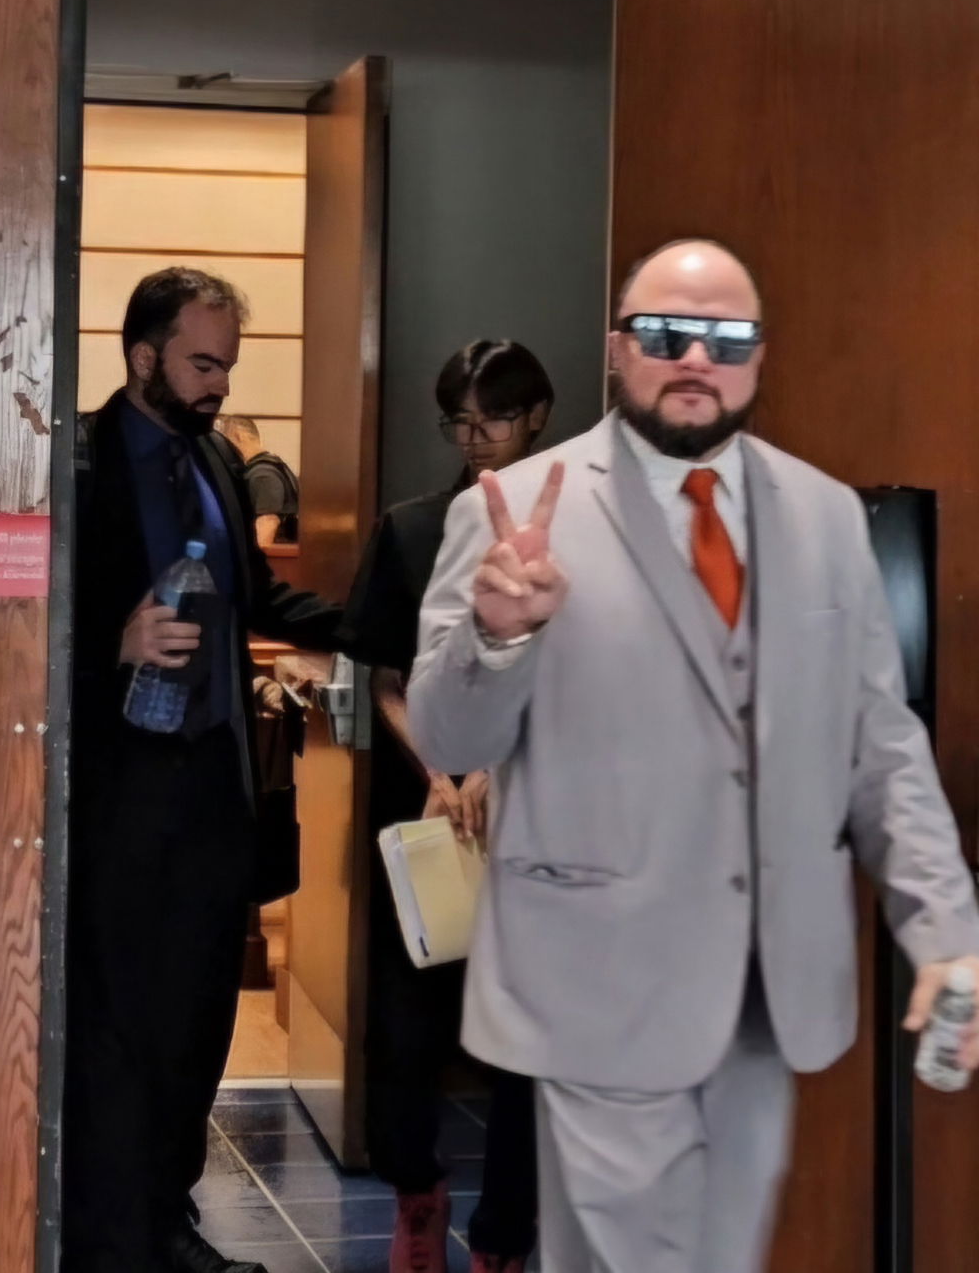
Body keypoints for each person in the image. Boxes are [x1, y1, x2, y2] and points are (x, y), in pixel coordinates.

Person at [407, 240, 979, 1273]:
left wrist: (947, 931)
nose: (694, 354)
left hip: (768, 984)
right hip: (594, 973)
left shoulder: (822, 513)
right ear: (615, 347)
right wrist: (500, 636)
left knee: (715, 1251)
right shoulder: (513, 510)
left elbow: (880, 743)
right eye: (662, 332)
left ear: (759, 355)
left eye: (724, 336)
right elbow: (455, 739)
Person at [63, 268, 348, 1273]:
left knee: (194, 1029)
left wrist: (388, 623)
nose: (221, 382)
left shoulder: (223, 460)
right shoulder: (76, 464)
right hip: (117, 802)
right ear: (142, 354)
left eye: (226, 361)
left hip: (215, 802)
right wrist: (111, 643)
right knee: (114, 1034)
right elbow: (4, 633)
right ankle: (110, 1239)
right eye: (202, 361)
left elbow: (261, 597)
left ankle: (169, 1223)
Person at [345, 340, 554, 1273]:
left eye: (493, 421)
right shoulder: (414, 525)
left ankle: (504, 1234)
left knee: (524, 1042)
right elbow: (387, 672)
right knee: (406, 1027)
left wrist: (490, 767)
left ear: (537, 417)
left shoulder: (572, 521)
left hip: (530, 814)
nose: (475, 441)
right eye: (458, 423)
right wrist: (441, 763)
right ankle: (417, 1198)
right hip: (428, 812)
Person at [219, 415, 300, 547]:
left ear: (239, 436)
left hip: (274, 557)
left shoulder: (262, 475)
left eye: (224, 442)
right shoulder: (276, 467)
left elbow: (267, 522)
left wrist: (255, 562)